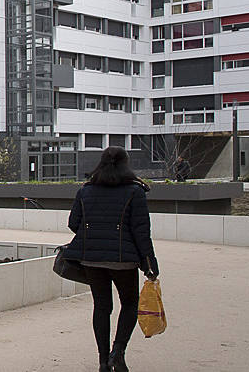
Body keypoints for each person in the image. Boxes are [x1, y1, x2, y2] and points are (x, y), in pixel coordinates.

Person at [62, 146, 159, 372]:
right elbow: (141, 232)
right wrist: (150, 265)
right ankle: (118, 351)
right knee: (130, 304)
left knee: (102, 307)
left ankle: (103, 361)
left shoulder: (86, 191)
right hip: (123, 261)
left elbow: (73, 224)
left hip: (92, 259)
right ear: (126, 164)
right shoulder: (135, 191)